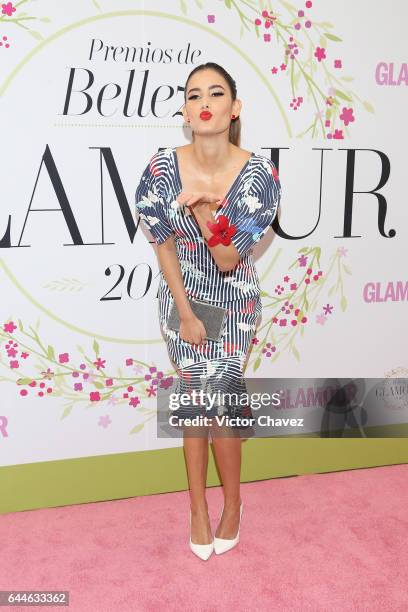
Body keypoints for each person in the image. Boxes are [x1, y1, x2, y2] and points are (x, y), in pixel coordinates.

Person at [135, 62, 281, 560]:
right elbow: (162, 247)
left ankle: (234, 505)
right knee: (195, 399)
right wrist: (186, 312)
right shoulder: (161, 167)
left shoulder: (259, 175)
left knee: (220, 400)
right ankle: (196, 507)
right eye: (194, 93)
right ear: (184, 109)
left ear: (234, 108)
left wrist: (202, 212)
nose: (205, 102)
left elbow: (226, 257)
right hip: (183, 299)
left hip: (234, 299)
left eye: (216, 93)